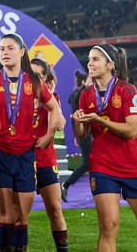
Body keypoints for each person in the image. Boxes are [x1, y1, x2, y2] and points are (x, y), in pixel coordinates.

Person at [0, 33, 64, 252]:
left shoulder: (34, 81)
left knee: (21, 219)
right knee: (4, 218)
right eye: (1, 49)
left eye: (9, 48)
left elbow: (54, 108)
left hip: (26, 155)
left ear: (22, 51)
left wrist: (48, 136)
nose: (4, 53)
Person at [72, 43, 137, 252]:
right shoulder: (85, 95)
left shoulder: (128, 90)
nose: (90, 63)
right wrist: (78, 121)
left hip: (133, 167)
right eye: (89, 59)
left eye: (95, 59)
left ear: (110, 65)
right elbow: (82, 135)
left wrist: (98, 119)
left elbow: (130, 131)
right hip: (102, 167)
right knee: (108, 228)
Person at [30, 58, 68, 252]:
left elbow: (60, 125)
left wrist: (50, 98)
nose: (32, 79)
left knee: (55, 211)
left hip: (46, 160)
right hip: (24, 162)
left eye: (37, 75)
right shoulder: (17, 96)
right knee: (18, 215)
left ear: (45, 77)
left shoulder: (52, 98)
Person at [61, 70, 91, 202]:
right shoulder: (81, 94)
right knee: (88, 163)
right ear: (84, 82)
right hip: (84, 131)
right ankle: (66, 184)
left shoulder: (74, 95)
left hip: (79, 131)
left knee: (92, 161)